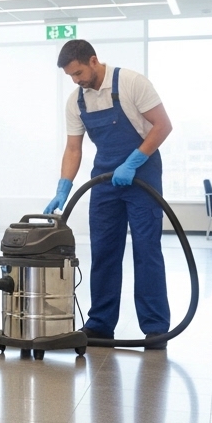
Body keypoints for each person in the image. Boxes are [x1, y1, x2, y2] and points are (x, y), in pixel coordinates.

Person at [42, 39, 173, 348]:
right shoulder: (76, 101)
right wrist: (64, 186)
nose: (76, 80)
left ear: (93, 60)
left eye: (78, 73)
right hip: (103, 180)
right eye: (70, 77)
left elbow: (162, 126)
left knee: (146, 250)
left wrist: (134, 162)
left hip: (142, 172)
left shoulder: (130, 82)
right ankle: (100, 324)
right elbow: (74, 148)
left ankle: (156, 328)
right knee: (103, 251)